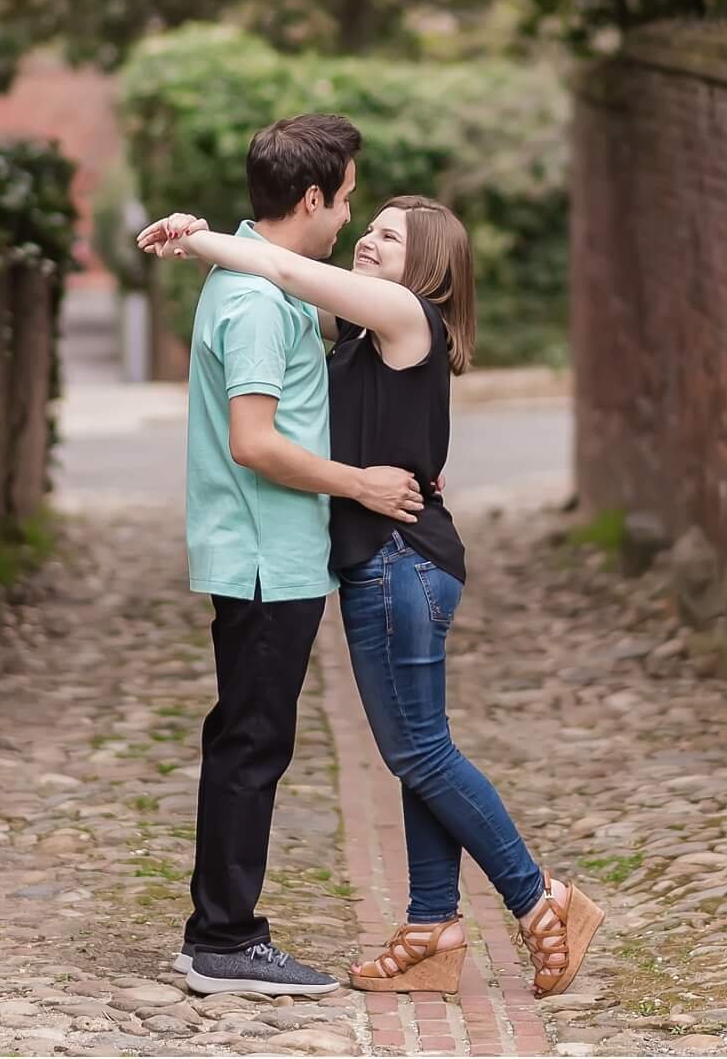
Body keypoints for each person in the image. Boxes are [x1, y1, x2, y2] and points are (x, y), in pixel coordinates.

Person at [140, 191, 602, 1001]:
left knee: (421, 751)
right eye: (369, 223)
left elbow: (283, 265)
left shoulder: (403, 313)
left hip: (401, 562)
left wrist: (201, 237)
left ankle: (539, 898)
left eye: (392, 235)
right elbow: (292, 311)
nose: (369, 238)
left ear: (425, 266)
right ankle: (431, 928)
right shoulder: (365, 336)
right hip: (384, 565)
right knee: (416, 752)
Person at [170, 113, 431, 999]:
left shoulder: (258, 278)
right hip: (261, 555)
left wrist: (198, 234)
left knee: (249, 736)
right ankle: (223, 939)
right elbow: (254, 442)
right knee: (251, 742)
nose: (350, 221)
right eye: (348, 201)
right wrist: (360, 484)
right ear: (312, 198)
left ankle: (222, 929)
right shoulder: (250, 303)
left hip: (272, 552)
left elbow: (300, 278)